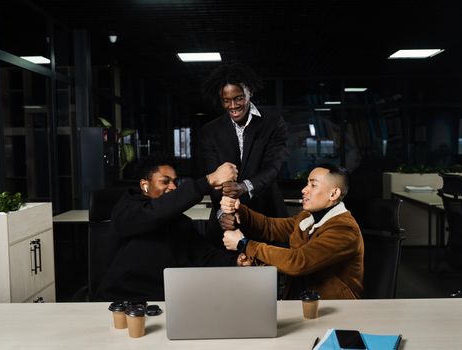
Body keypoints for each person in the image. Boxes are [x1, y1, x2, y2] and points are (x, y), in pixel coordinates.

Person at [96, 155, 249, 302]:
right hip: (119, 303)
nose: (173, 187)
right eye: (165, 181)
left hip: (166, 302)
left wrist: (236, 260)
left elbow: (205, 255)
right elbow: (155, 212)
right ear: (145, 185)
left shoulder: (179, 221)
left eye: (175, 182)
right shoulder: (128, 210)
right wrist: (208, 180)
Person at [221, 163, 364, 300]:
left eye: (313, 185)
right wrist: (241, 211)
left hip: (333, 310)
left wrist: (244, 245)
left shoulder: (344, 229)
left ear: (333, 194)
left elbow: (298, 262)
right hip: (303, 303)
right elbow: (269, 227)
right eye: (307, 184)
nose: (304, 190)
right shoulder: (307, 218)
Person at [200, 62, 288, 248]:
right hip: (227, 219)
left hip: (267, 214)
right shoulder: (210, 131)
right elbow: (214, 179)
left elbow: (272, 169)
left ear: (250, 92)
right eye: (226, 100)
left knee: (270, 273)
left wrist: (244, 186)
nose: (233, 106)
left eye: (239, 98)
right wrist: (223, 214)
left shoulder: (273, 122)